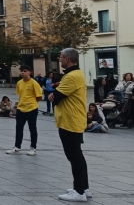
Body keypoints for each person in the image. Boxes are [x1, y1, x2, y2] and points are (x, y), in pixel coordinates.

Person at [48, 48, 91, 201]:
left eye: (60, 57)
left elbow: (56, 97)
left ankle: (79, 192)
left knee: (74, 156)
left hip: (70, 121)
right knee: (78, 155)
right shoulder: (75, 74)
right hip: (72, 119)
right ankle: (84, 187)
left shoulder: (71, 76)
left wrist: (53, 94)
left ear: (66, 58)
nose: (59, 59)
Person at [6, 66, 43, 156]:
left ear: (30, 72)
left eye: (25, 71)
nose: (23, 73)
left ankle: (33, 148)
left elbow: (39, 97)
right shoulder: (19, 83)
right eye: (21, 71)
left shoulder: (34, 83)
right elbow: (20, 94)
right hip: (21, 109)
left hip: (32, 109)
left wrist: (31, 102)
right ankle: (17, 147)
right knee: (19, 128)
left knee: (32, 128)